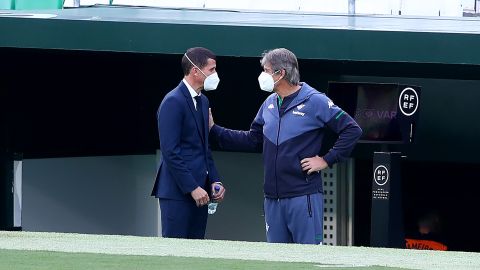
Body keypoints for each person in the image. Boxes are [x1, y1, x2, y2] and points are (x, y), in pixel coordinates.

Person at [209, 48, 362, 244]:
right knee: (277, 261)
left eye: (266, 70)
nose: (262, 75)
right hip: (272, 199)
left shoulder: (315, 100)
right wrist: (214, 130)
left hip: (303, 197)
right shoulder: (269, 103)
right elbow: (252, 140)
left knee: (307, 261)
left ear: (280, 73)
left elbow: (352, 129)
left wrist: (326, 160)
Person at [151, 47, 226, 239]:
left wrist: (214, 180)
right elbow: (170, 152)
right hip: (177, 194)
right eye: (211, 70)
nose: (215, 74)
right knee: (176, 254)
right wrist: (192, 188)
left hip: (201, 194)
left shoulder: (203, 102)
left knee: (196, 252)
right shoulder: (173, 101)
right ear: (195, 70)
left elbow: (204, 147)